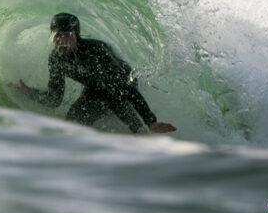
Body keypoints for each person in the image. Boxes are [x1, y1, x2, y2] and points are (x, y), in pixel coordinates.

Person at [12, 13, 176, 134]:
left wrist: (148, 121)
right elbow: (54, 98)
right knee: (75, 119)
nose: (62, 42)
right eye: (57, 36)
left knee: (106, 91)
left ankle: (140, 131)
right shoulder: (56, 59)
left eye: (67, 36)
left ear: (76, 36)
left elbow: (121, 89)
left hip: (123, 82)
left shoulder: (95, 52)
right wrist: (30, 93)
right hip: (97, 87)